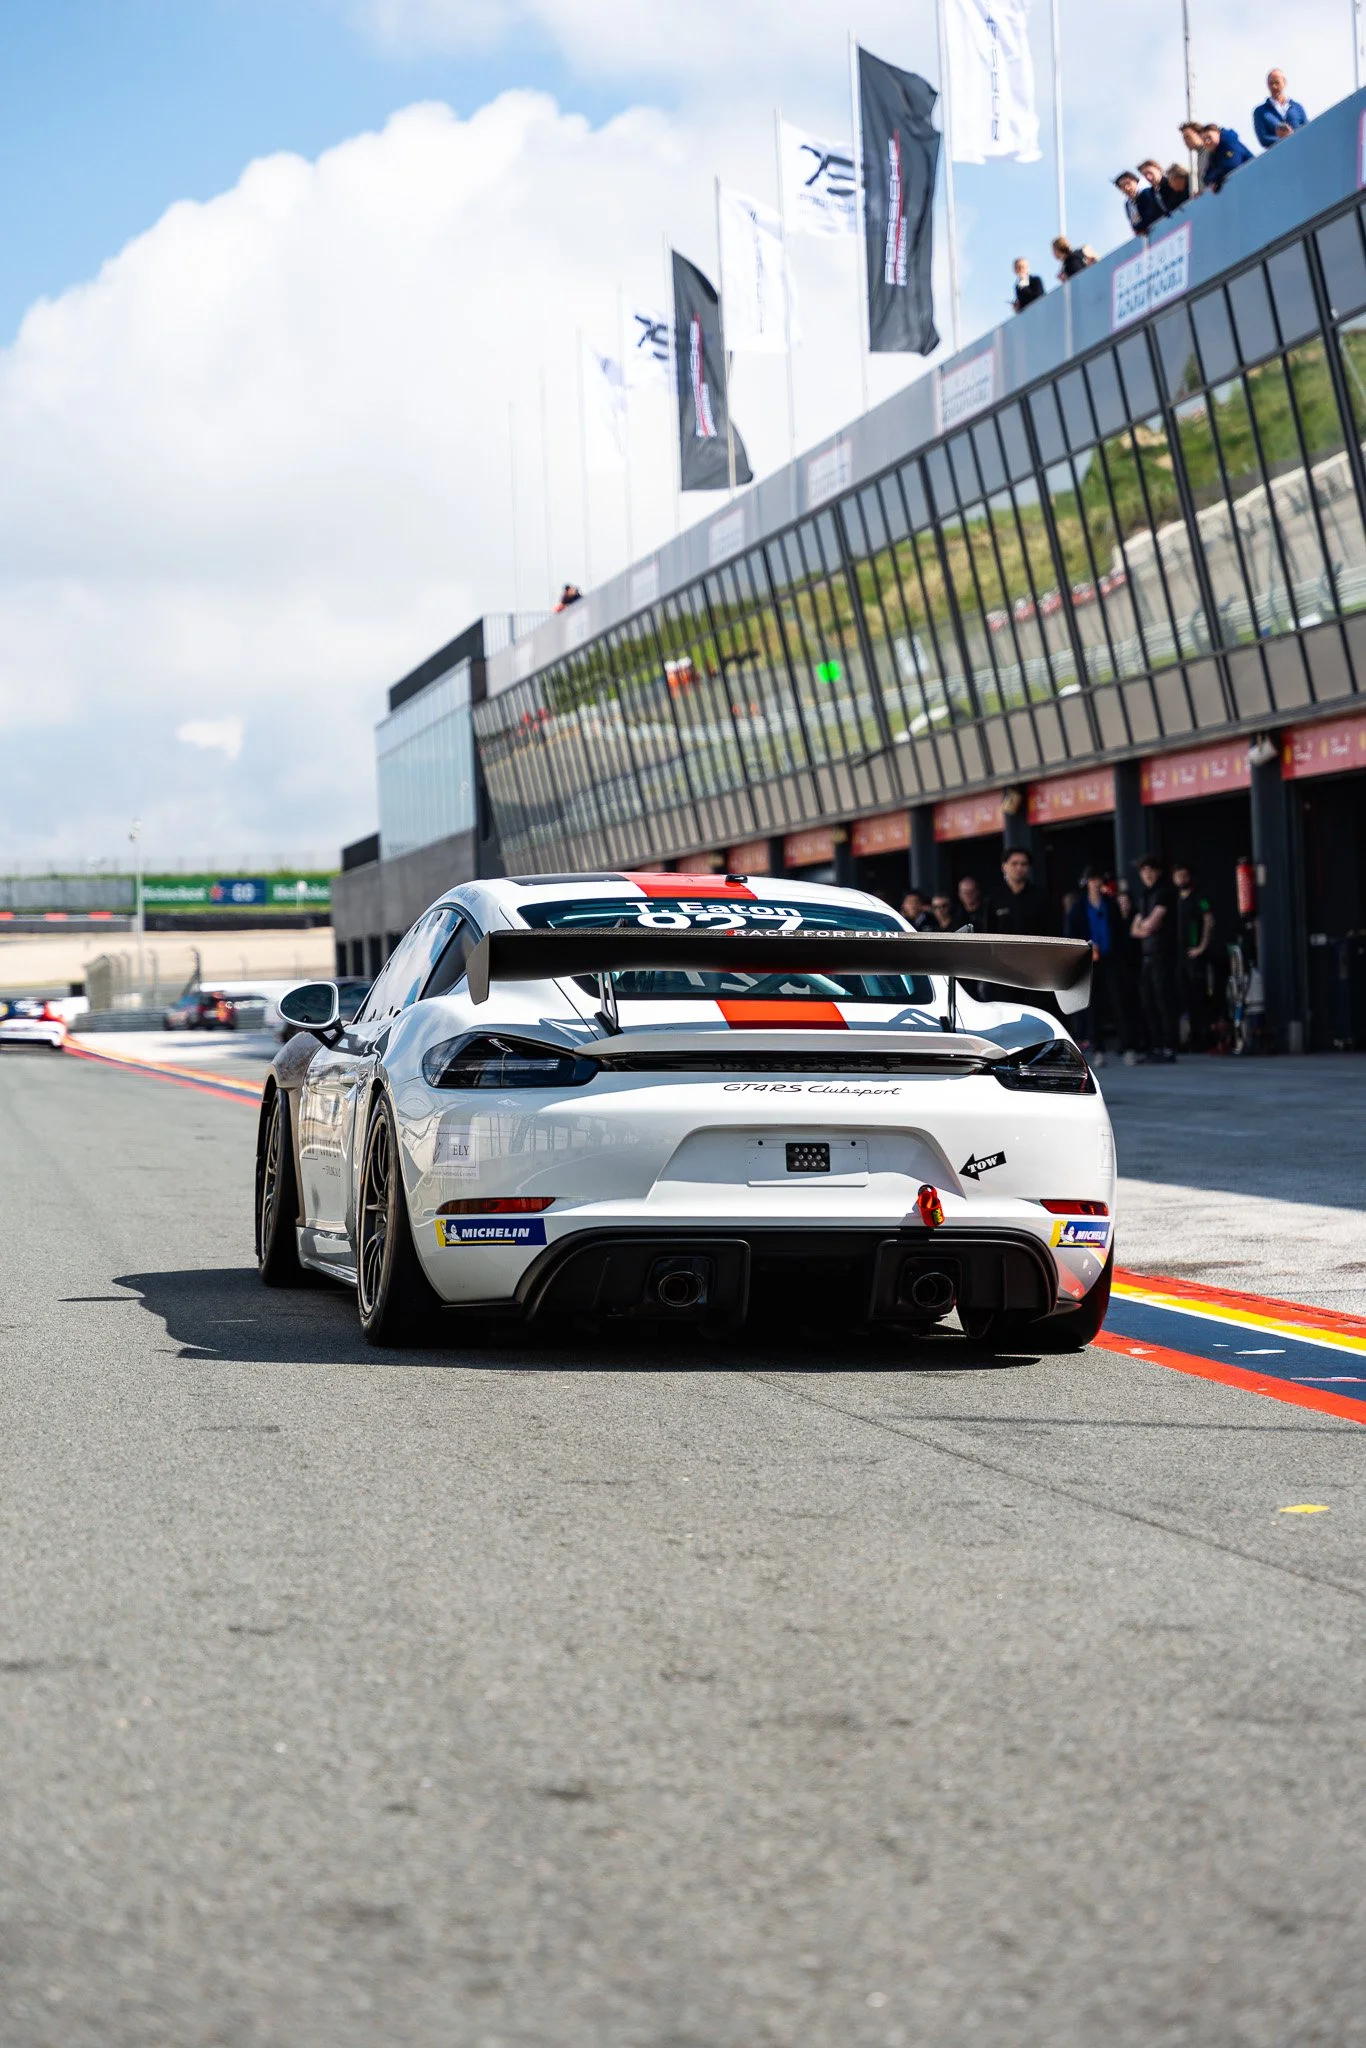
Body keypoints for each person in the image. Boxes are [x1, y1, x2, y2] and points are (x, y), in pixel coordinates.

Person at [1064, 869, 1133, 1066]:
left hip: (1111, 959)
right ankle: (1099, 1049)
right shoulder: (1078, 907)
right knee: (1093, 1007)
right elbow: (1071, 933)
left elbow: (1120, 931)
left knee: (1118, 1002)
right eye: (1092, 879)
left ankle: (1127, 1046)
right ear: (1087, 882)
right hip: (1089, 961)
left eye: (1098, 879)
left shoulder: (1110, 903)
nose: (1095, 883)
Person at [1132, 853, 1180, 1061]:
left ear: (1158, 872)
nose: (1147, 874)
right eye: (1143, 871)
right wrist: (1143, 928)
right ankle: (1156, 1045)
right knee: (1148, 1000)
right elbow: (1134, 930)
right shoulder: (1144, 895)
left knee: (1164, 999)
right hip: (1147, 954)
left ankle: (1169, 1046)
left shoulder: (1164, 893)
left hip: (1163, 953)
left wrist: (1143, 927)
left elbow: (1151, 924)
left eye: (1150, 870)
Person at [1172, 863, 1216, 1050]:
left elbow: (1209, 920)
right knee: (1183, 996)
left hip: (1194, 954)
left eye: (1184, 875)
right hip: (1178, 955)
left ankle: (1203, 1036)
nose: (1181, 879)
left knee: (1199, 996)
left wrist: (1202, 946)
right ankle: (1189, 1037)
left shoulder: (1200, 898)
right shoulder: (1174, 900)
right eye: (1178, 876)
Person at [983, 848, 1054, 937]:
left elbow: (1051, 929)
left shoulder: (1040, 896)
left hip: (1035, 949)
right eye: (1014, 863)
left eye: (1024, 864)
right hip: (1004, 950)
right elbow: (988, 933)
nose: (1019, 868)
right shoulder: (994, 898)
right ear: (1004, 866)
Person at [1253, 69, 1307, 150]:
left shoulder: (1297, 108)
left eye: (1277, 83)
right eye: (1271, 83)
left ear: (1284, 82)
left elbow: (1307, 131)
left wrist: (1291, 135)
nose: (1274, 86)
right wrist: (1283, 138)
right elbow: (1263, 139)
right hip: (1277, 157)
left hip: (1299, 152)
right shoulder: (1260, 111)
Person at [1201, 123, 1254, 194]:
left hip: (1252, 178)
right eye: (1204, 140)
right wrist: (1214, 180)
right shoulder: (1213, 154)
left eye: (1209, 137)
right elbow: (1206, 178)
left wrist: (1217, 180)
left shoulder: (1230, 143)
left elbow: (1232, 165)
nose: (1207, 141)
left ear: (1218, 133)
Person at [1114, 172, 1145, 236]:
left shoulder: (1147, 193)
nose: (1126, 188)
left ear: (1135, 181)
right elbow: (1134, 224)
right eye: (1122, 187)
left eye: (1128, 183)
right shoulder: (1128, 205)